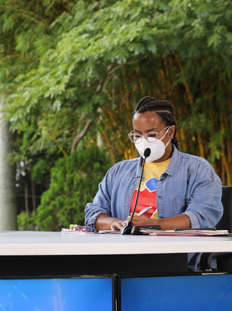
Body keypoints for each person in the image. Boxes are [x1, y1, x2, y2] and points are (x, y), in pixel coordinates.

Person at [85, 96, 223, 270]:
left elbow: (201, 217)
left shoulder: (197, 169)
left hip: (178, 262)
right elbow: (94, 214)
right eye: (137, 135)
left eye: (151, 134)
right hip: (123, 259)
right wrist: (115, 223)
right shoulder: (118, 171)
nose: (143, 141)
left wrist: (152, 225)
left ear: (170, 132)